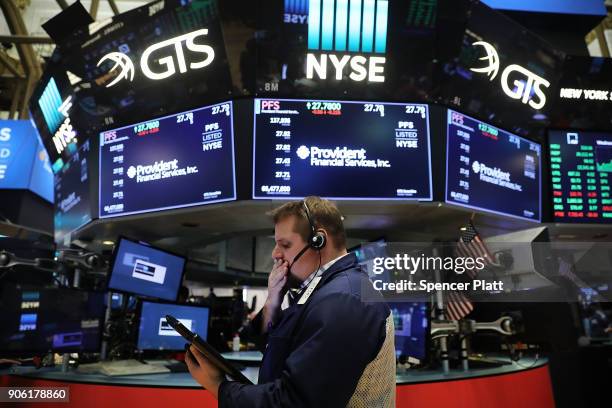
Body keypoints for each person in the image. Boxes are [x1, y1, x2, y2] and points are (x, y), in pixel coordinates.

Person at [186, 196, 396, 407]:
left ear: (318, 241)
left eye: (284, 245)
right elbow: (276, 348)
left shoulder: (343, 300)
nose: (275, 254)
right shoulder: (321, 292)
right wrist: (272, 301)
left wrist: (218, 385)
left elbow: (295, 401)